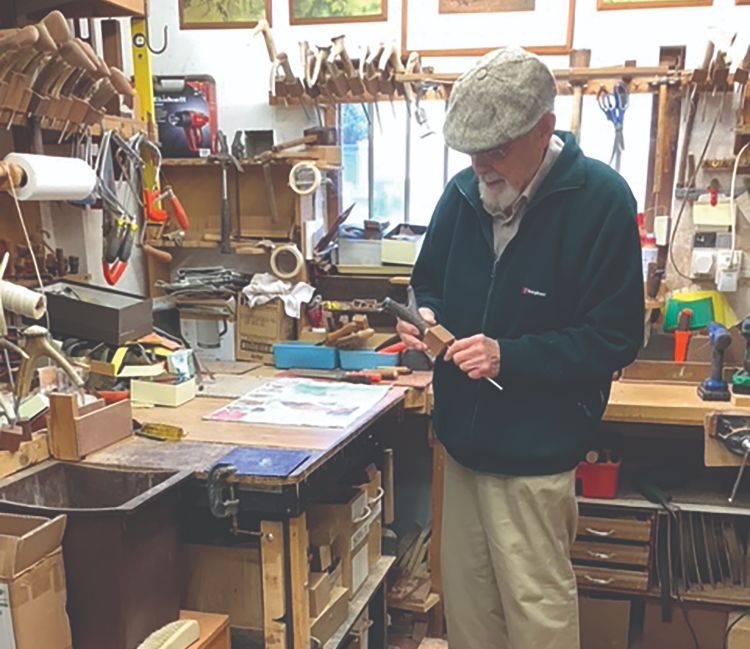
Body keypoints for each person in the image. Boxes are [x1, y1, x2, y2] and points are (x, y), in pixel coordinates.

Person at [397, 47, 644, 649]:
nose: (483, 167)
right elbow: (427, 278)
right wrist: (423, 313)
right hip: (461, 448)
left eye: (499, 150)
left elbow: (616, 338)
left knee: (537, 615)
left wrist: (511, 356)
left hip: (535, 457)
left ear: (544, 131)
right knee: (470, 612)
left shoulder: (602, 202)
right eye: (473, 152)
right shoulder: (462, 194)